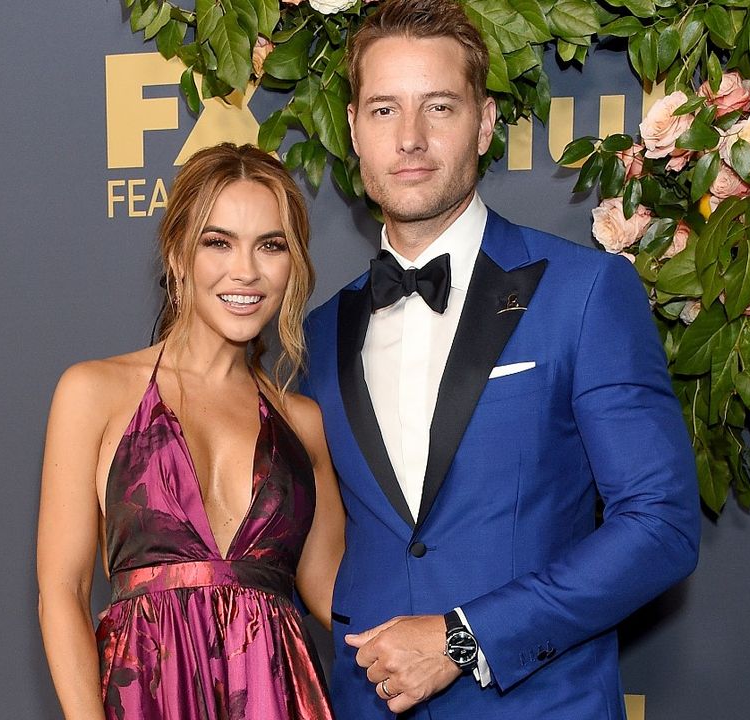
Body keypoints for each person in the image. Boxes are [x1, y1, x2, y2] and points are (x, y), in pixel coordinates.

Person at [299, 0, 701, 717]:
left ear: (484, 123)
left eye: (441, 107)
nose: (411, 138)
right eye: (385, 110)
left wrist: (464, 638)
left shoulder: (585, 292)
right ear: (354, 129)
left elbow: (660, 524)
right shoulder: (323, 332)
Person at [37, 143, 343, 720]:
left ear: (294, 265)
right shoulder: (94, 392)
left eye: (271, 245)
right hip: (145, 697)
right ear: (178, 254)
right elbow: (63, 593)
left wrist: (474, 630)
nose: (246, 271)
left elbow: (338, 600)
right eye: (218, 242)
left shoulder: (303, 423)